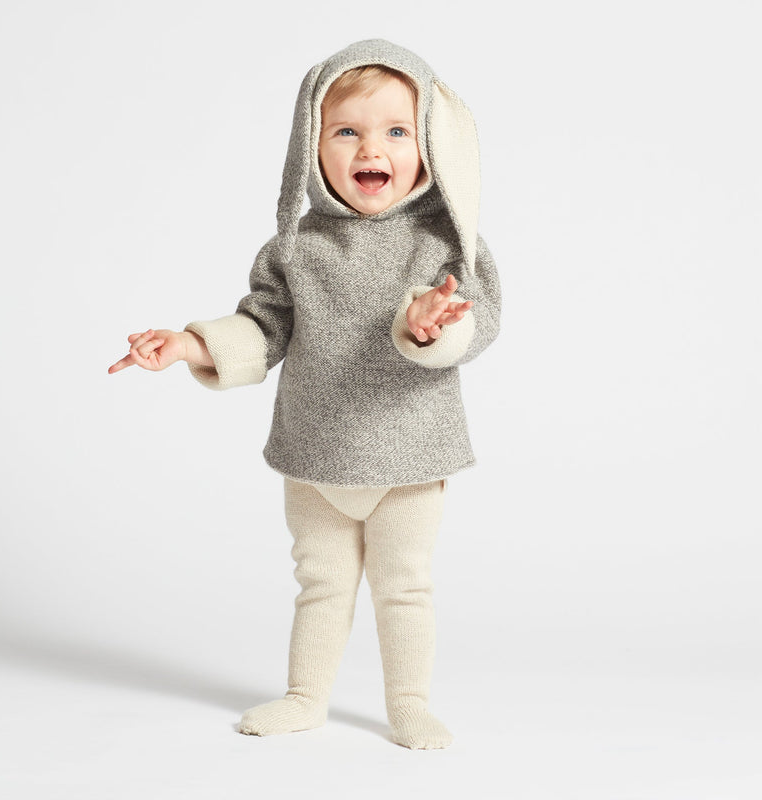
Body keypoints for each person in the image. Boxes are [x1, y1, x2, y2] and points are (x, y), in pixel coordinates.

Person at [109, 39, 501, 750]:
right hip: (315, 452)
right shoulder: (295, 246)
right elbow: (265, 326)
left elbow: (476, 319)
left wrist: (428, 324)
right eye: (346, 130)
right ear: (310, 145)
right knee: (320, 583)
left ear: (430, 145)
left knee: (403, 585)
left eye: (395, 131)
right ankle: (304, 696)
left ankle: (408, 701)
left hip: (412, 455)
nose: (368, 149)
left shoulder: (445, 245)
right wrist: (192, 345)